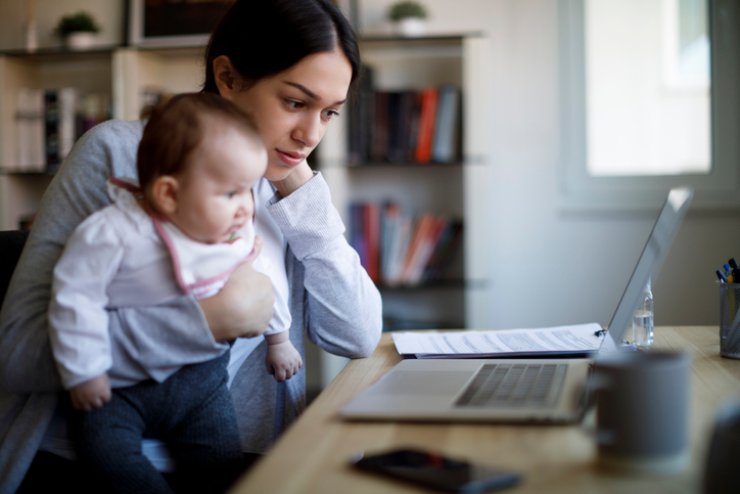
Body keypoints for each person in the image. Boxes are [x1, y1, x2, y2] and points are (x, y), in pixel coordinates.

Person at [0, 0, 382, 492]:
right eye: (294, 102)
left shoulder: (281, 186)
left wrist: (304, 193)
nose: (310, 134)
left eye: (328, 112)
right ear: (228, 76)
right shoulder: (122, 155)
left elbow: (356, 334)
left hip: (234, 456)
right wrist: (203, 321)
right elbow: (16, 353)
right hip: (98, 459)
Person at [48, 92, 301, 493]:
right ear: (168, 193)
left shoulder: (233, 234)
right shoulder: (114, 232)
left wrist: (279, 339)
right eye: (230, 193)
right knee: (107, 458)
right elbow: (75, 298)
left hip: (202, 386)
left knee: (221, 463)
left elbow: (263, 280)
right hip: (117, 388)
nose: (245, 209)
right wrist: (84, 370)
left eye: (248, 192)